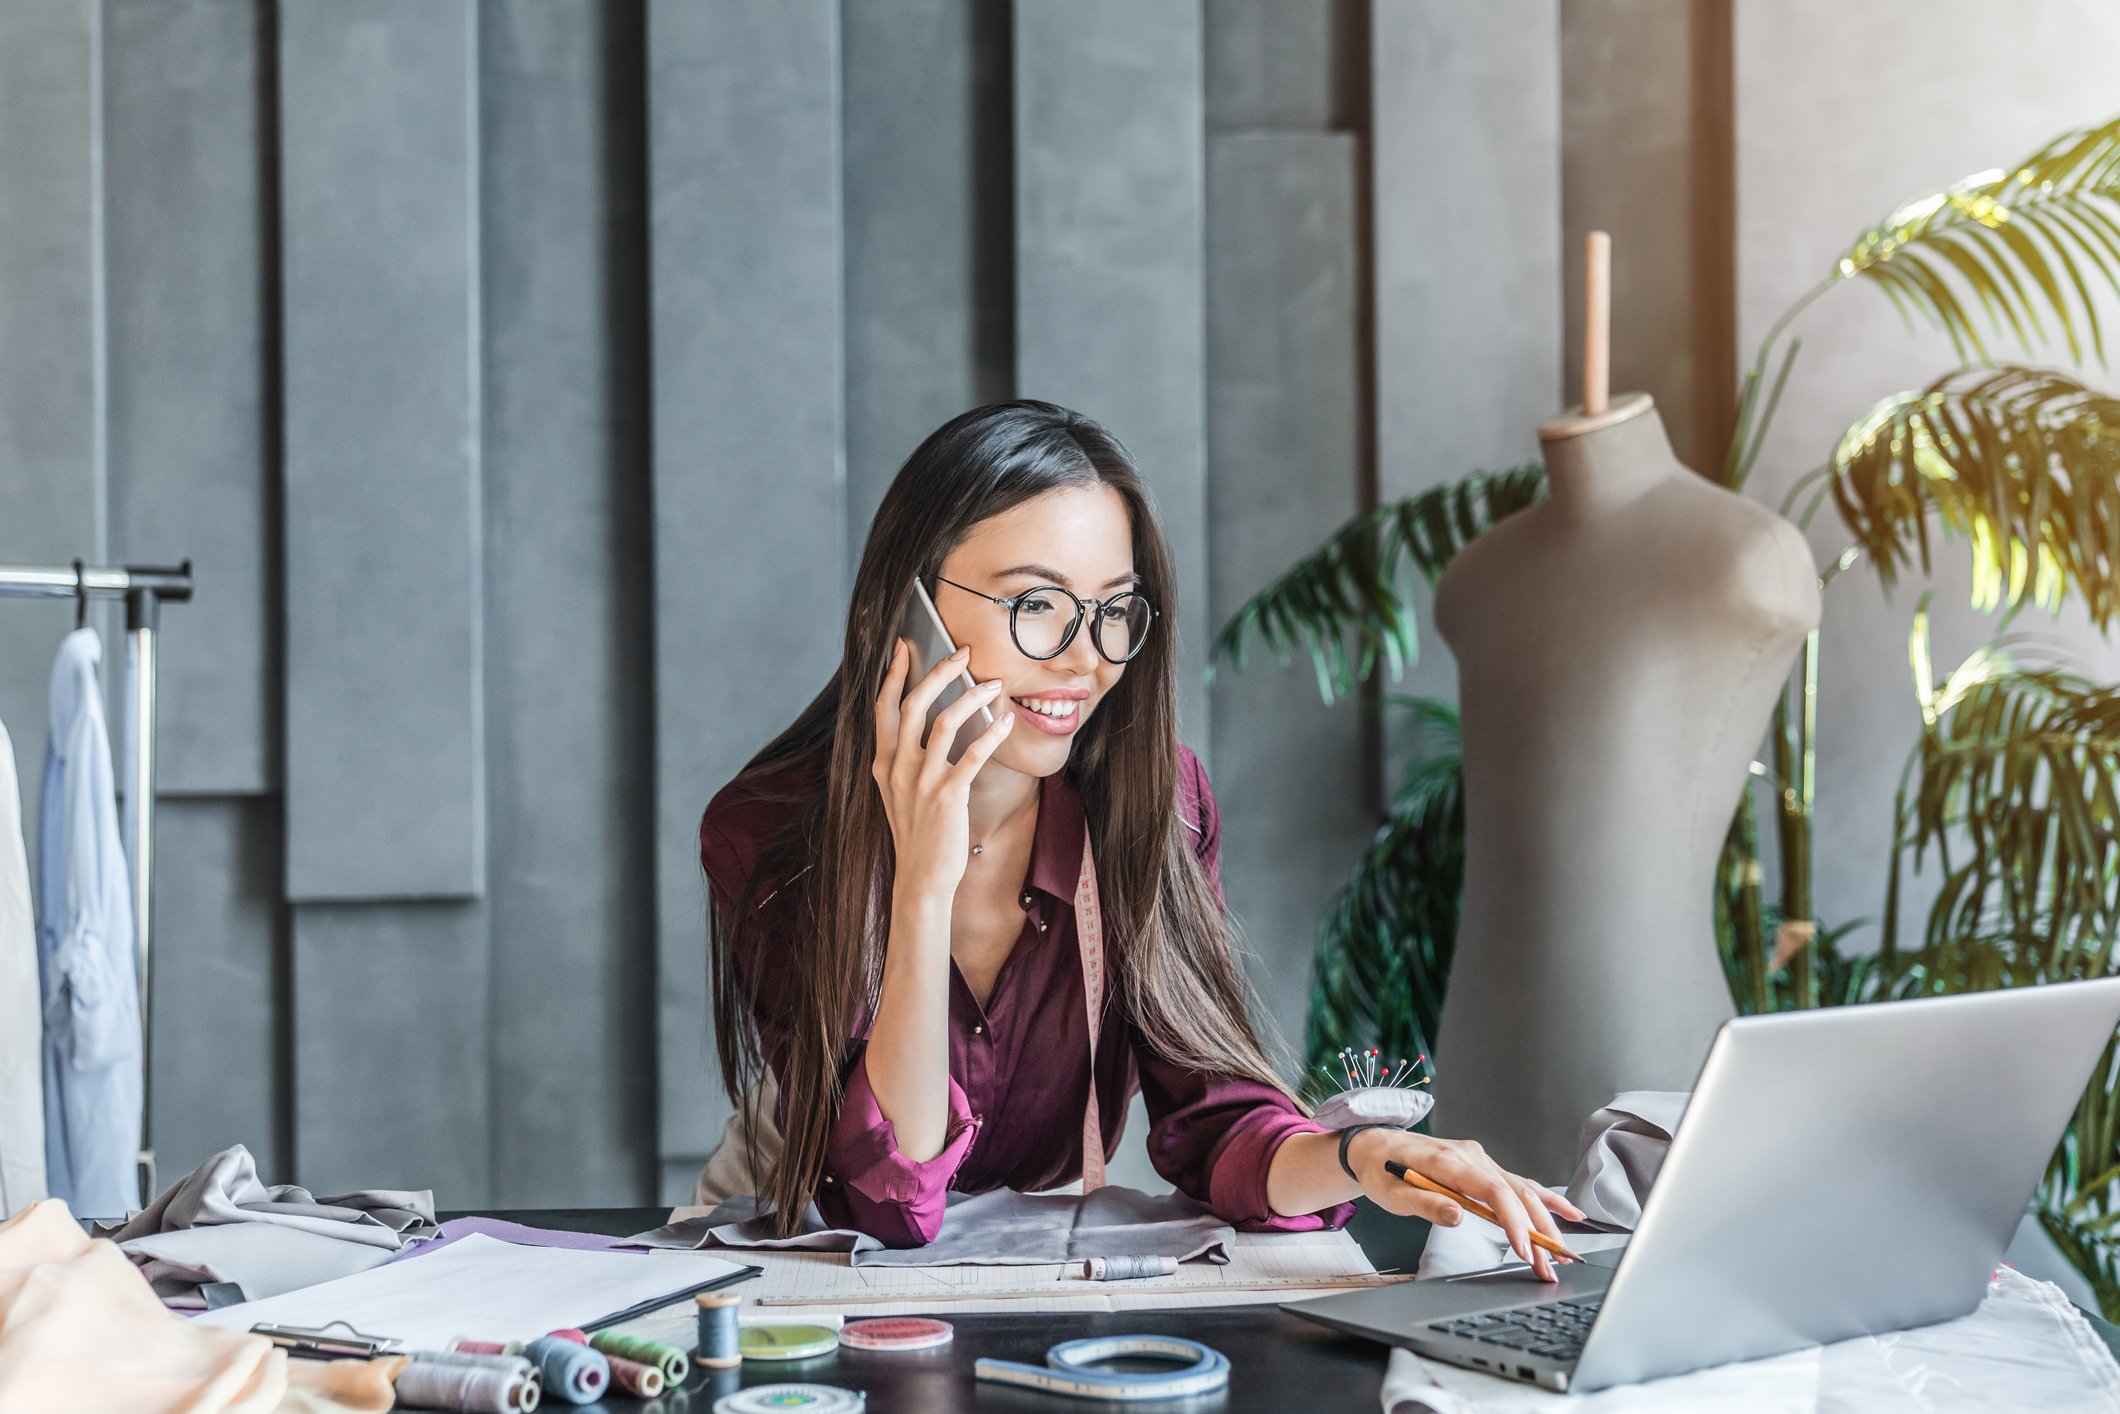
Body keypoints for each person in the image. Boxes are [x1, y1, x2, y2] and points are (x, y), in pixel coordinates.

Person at [698, 401, 1580, 1274]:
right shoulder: (769, 834)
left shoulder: (1151, 801)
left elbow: (1218, 1122)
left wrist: (1367, 1156)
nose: (1086, 660)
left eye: (1114, 610)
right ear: (904, 614)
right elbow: (890, 1203)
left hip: (1030, 1272)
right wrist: (924, 880)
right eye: (1036, 604)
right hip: (806, 1273)